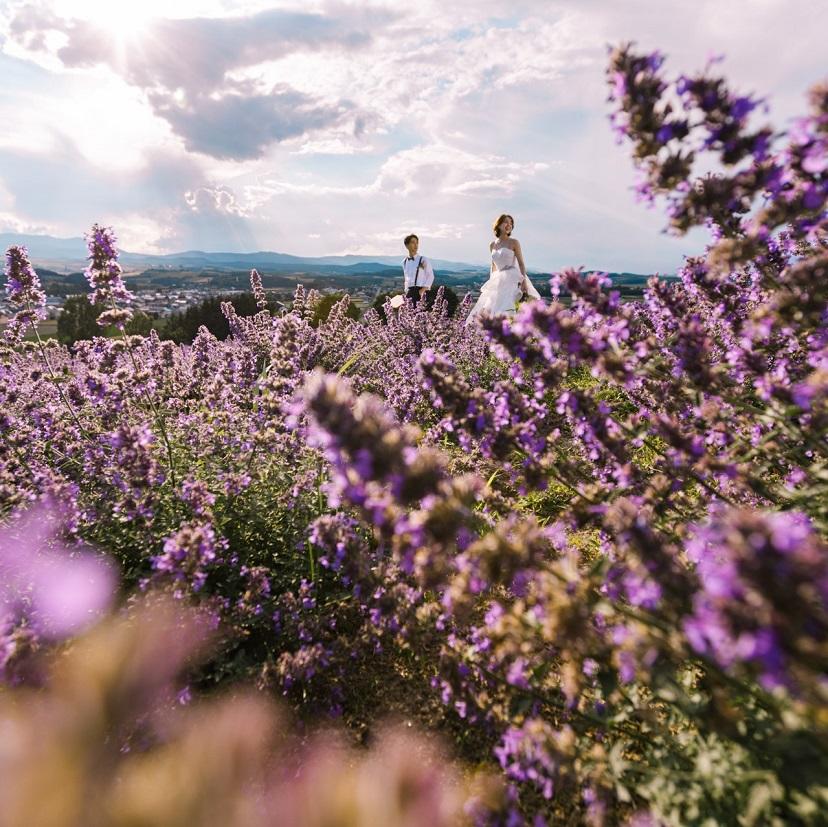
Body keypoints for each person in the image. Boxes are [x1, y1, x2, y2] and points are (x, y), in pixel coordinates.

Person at [465, 214, 541, 326]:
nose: (509, 225)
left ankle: (511, 330)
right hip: (498, 279)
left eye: (511, 223)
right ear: (498, 224)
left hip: (512, 277)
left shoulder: (514, 242)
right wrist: (491, 282)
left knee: (508, 306)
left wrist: (523, 281)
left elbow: (521, 263)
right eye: (506, 222)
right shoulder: (492, 244)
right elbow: (493, 266)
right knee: (491, 307)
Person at [401, 234, 435, 304]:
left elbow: (431, 276)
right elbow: (406, 278)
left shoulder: (423, 259)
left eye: (417, 243)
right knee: (408, 314)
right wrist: (406, 290)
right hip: (409, 292)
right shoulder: (404, 262)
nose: (416, 245)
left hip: (421, 292)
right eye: (413, 242)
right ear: (407, 245)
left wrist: (422, 290)